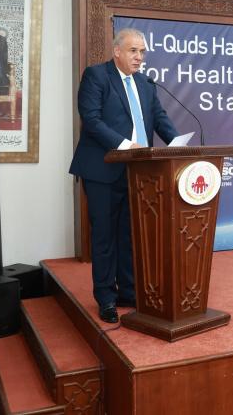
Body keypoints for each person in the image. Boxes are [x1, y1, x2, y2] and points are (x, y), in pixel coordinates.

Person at [69, 28, 179, 323]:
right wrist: (124, 145)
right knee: (104, 236)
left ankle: (128, 292)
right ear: (117, 51)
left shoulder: (145, 83)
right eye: (133, 51)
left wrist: (178, 144)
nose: (139, 57)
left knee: (130, 235)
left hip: (138, 172)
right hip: (102, 169)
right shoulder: (97, 76)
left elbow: (159, 118)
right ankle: (106, 297)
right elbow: (91, 119)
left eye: (142, 51)